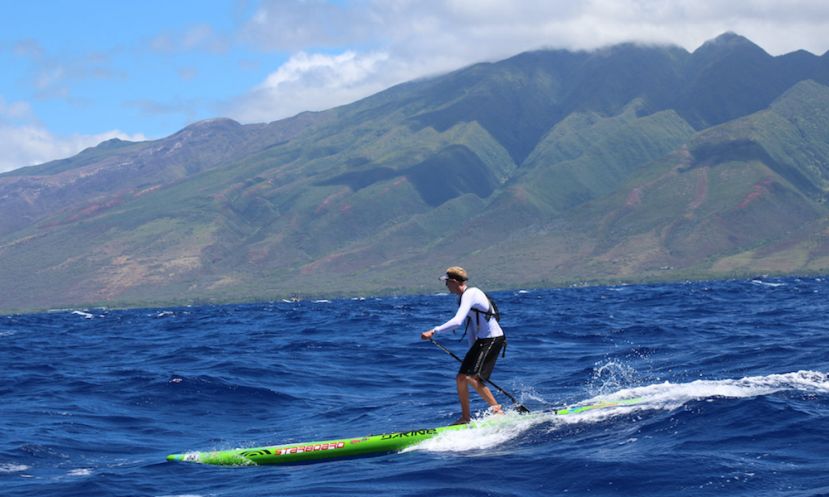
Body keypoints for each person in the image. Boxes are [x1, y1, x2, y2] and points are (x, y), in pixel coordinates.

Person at [421, 266, 506, 424]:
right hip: (481, 341)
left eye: (446, 282)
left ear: (453, 281)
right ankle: (466, 418)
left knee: (473, 378)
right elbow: (471, 326)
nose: (446, 286)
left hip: (493, 339)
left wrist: (434, 331)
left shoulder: (471, 294)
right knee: (461, 378)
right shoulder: (462, 298)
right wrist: (472, 352)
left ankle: (497, 410)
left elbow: (458, 321)